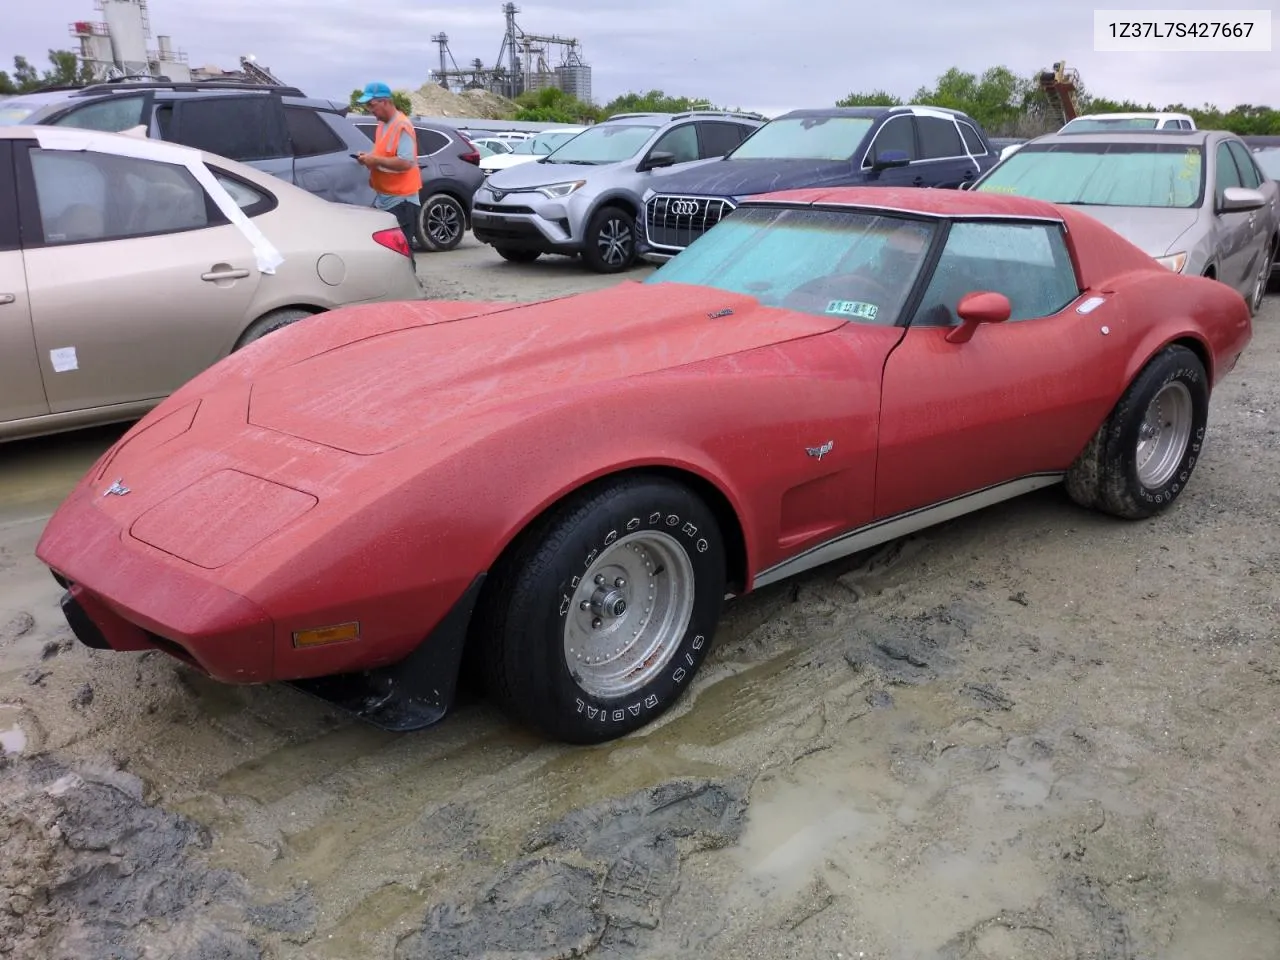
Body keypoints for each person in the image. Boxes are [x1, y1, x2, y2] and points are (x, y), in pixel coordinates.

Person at [353, 82, 422, 256]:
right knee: (391, 254)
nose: (370, 109)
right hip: (385, 199)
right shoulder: (383, 124)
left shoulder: (402, 125)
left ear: (385, 102)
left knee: (401, 255)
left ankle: (407, 283)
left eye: (371, 105)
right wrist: (368, 158)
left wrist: (374, 160)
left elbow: (406, 162)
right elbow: (384, 154)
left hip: (402, 201)